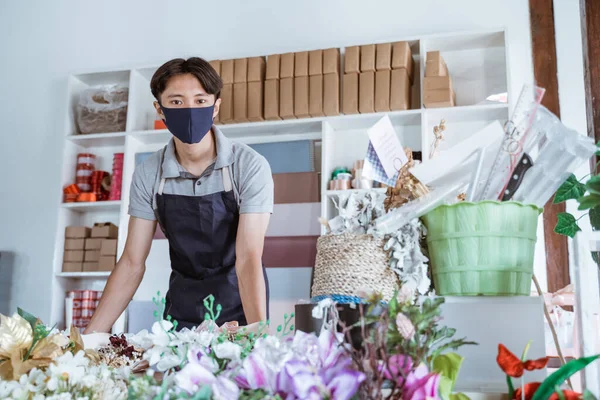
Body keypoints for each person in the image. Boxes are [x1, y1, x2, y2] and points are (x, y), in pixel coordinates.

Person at [84, 57, 272, 332]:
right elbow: (132, 262)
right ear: (159, 109)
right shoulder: (149, 174)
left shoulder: (248, 166)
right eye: (176, 102)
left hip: (240, 312)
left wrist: (258, 332)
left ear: (215, 106)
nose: (189, 110)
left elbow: (248, 258)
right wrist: (90, 338)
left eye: (200, 100)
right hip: (181, 315)